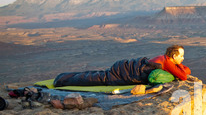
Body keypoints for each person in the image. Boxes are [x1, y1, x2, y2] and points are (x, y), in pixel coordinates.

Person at [53, 45, 191, 87]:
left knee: (96, 75)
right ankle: (61, 80)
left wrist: (179, 66)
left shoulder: (166, 59)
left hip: (124, 69)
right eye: (181, 56)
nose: (183, 58)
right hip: (124, 74)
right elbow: (184, 76)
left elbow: (186, 70)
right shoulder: (167, 62)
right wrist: (179, 68)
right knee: (94, 79)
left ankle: (65, 76)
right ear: (174, 56)